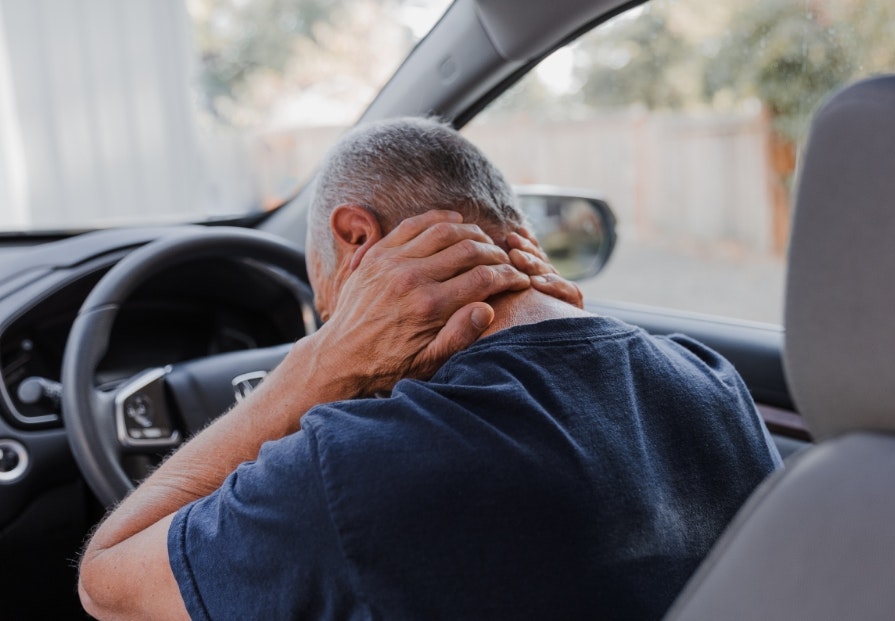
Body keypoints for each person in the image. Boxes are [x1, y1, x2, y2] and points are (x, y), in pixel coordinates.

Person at [77, 118, 781, 620]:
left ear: (356, 239)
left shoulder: (352, 466)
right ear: (523, 241)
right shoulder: (709, 383)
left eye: (331, 309)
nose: (341, 336)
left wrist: (318, 367)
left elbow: (107, 582)